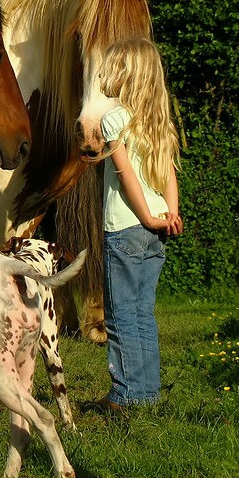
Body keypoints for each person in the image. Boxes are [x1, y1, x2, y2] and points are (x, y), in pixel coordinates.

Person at [94, 37, 183, 411]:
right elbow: (168, 176)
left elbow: (125, 172)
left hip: (127, 227)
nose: (105, 75)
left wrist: (145, 214)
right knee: (143, 313)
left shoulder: (114, 119)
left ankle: (126, 396)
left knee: (120, 317)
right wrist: (170, 213)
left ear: (125, 75)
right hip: (157, 230)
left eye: (112, 68)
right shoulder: (158, 121)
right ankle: (147, 393)